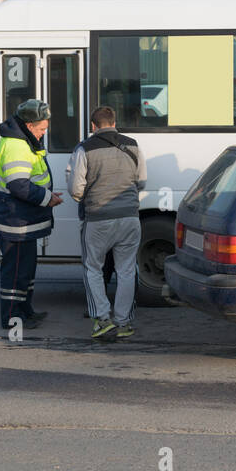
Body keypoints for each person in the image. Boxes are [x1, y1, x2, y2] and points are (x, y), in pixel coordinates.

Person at [68, 106, 146, 340]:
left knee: (93, 268)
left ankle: (102, 320)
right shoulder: (132, 144)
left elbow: (75, 188)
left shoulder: (84, 148)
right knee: (126, 270)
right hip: (130, 217)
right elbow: (141, 182)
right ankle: (123, 323)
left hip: (98, 218)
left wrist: (87, 197)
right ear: (114, 122)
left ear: (93, 126)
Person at [0, 99, 61, 330]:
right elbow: (19, 185)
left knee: (26, 272)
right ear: (30, 125)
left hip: (23, 221)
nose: (44, 133)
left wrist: (46, 193)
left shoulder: (23, 140)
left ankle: (25, 311)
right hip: (16, 222)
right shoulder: (16, 145)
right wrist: (46, 197)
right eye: (42, 129)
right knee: (15, 274)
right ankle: (12, 319)